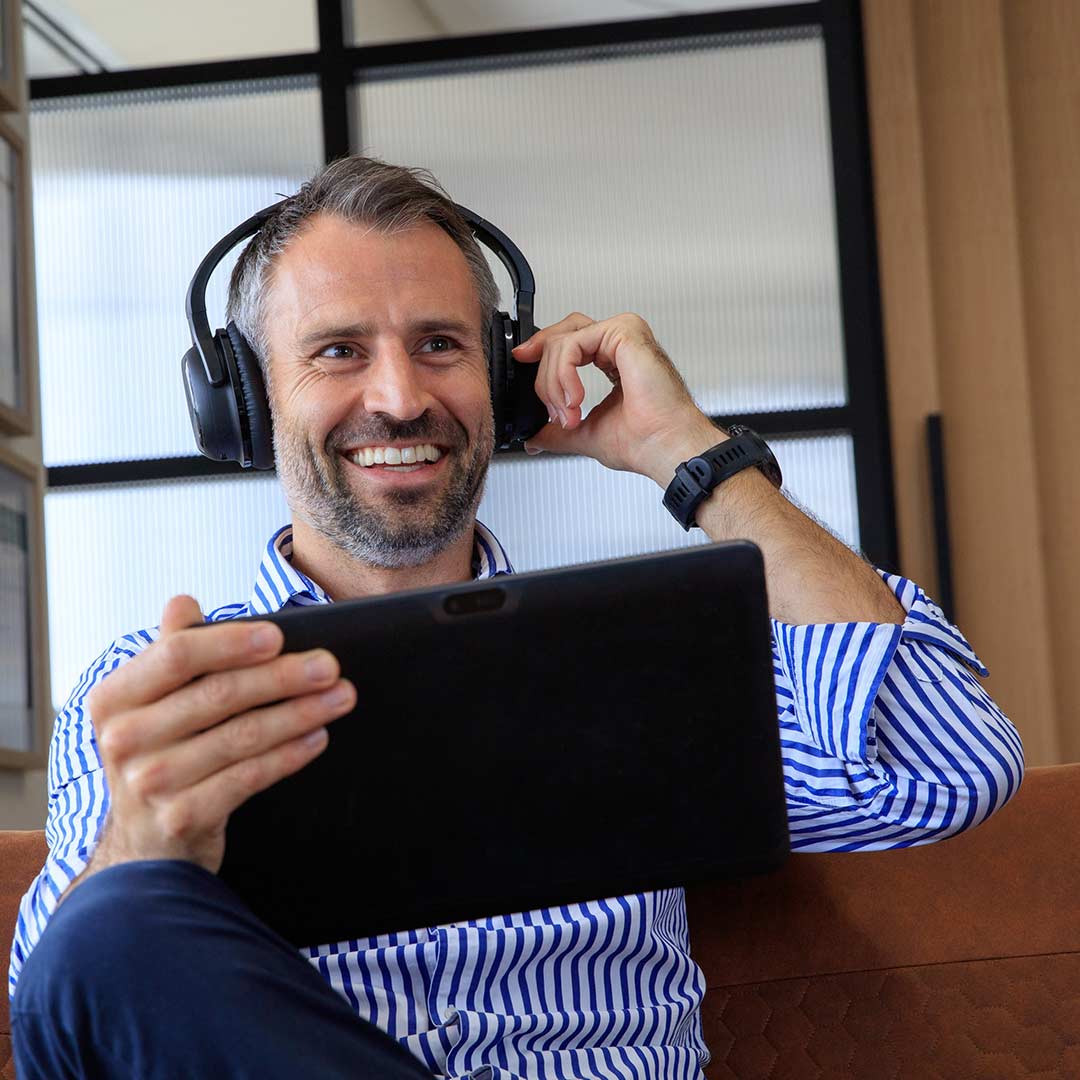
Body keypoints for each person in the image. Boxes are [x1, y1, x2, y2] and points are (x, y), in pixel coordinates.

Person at [9, 156, 1023, 1080]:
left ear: (504, 379)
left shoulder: (647, 659)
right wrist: (141, 845)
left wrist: (692, 455)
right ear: (246, 399)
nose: (401, 398)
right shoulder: (162, 689)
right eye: (337, 352)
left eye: (440, 344)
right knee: (113, 923)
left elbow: (943, 771)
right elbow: (69, 1012)